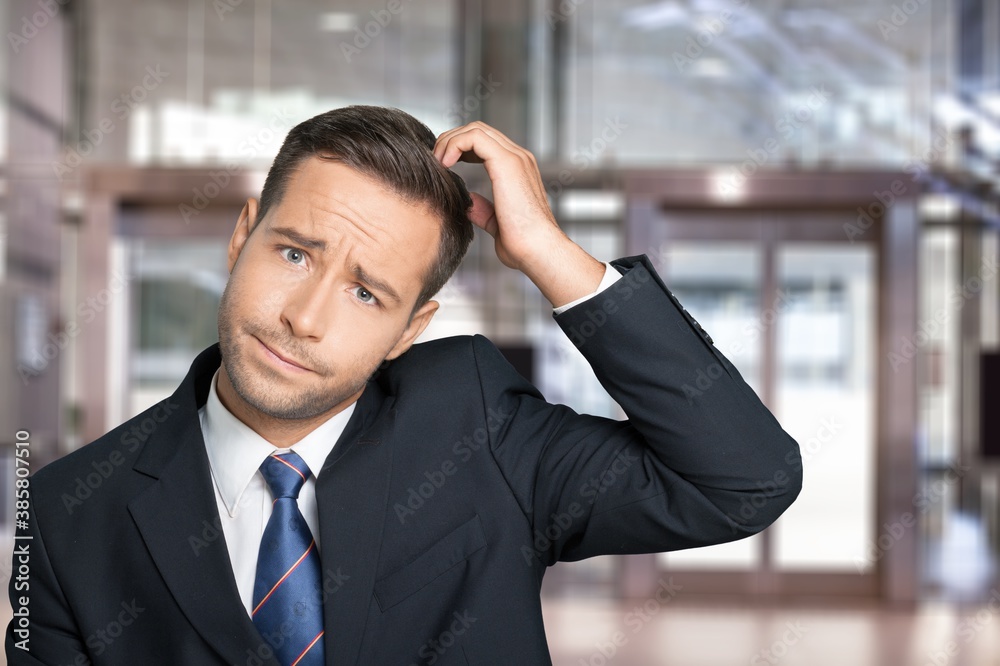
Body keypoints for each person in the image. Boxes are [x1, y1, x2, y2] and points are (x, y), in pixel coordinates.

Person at [6, 105, 802, 665]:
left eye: (366, 292)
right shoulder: (73, 510)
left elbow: (743, 480)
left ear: (411, 327)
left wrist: (551, 256)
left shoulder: (475, 420)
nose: (304, 318)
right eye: (293, 254)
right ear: (241, 235)